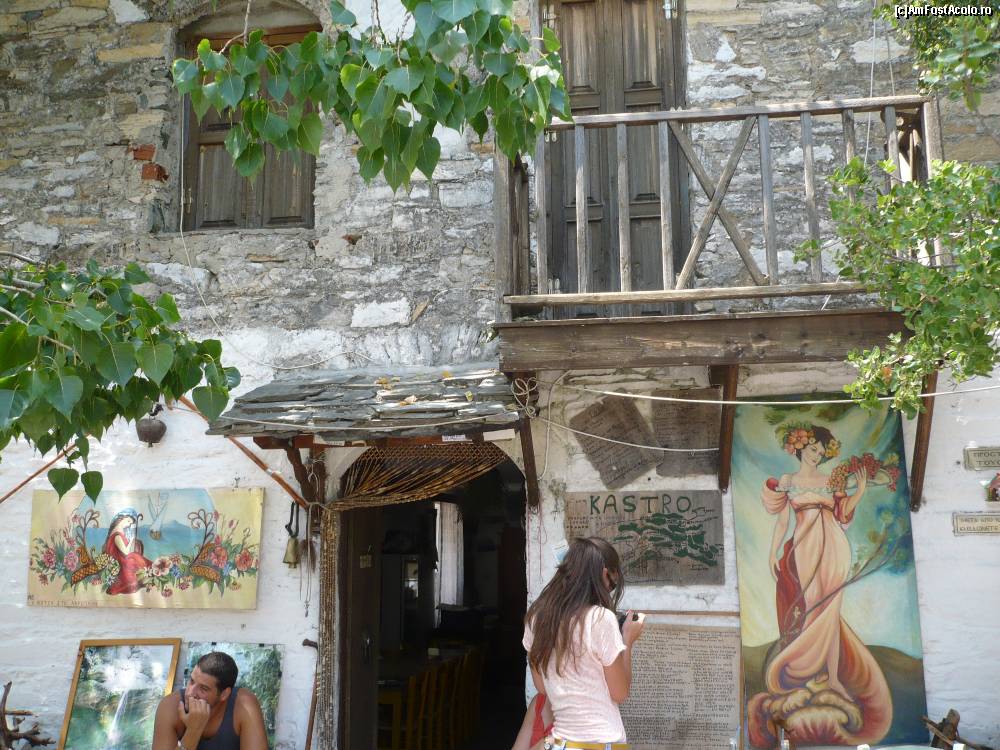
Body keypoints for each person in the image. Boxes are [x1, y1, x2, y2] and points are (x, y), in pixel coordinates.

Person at [750, 423, 892, 746]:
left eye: (821, 451)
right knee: (813, 610)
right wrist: (773, 551)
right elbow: (783, 520)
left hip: (834, 547)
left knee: (830, 610)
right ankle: (812, 673)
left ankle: (833, 678)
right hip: (804, 547)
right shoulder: (788, 481)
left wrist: (859, 492)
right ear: (799, 447)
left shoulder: (832, 480)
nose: (817, 454)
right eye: (813, 449)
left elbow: (842, 514)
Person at [521, 537, 645, 749]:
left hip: (561, 744)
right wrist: (628, 640)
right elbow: (620, 692)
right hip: (600, 743)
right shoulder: (600, 619)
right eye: (612, 584)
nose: (609, 590)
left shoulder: (536, 619)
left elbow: (542, 688)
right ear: (604, 574)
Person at [152, 651, 268, 750]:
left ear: (224, 694)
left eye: (203, 688)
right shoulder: (170, 707)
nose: (190, 693)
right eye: (191, 681)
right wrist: (193, 731)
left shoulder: (244, 705)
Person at [103, 508, 151, 595]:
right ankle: (150, 573)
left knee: (135, 557)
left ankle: (149, 573)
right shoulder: (117, 535)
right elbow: (125, 552)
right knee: (134, 558)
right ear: (123, 518)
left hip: (121, 559)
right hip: (120, 561)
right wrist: (131, 539)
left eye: (130, 523)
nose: (129, 525)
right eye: (128, 521)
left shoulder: (119, 532)